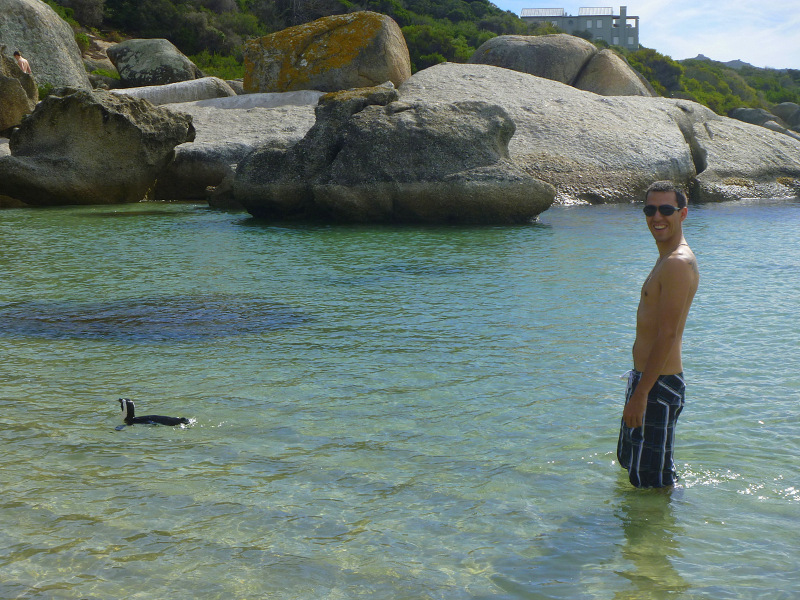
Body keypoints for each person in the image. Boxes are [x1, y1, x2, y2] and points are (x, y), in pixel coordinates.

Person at [617, 181, 699, 488]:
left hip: (657, 386)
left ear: (683, 214)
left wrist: (641, 396)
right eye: (650, 210)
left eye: (666, 209)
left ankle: (661, 532)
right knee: (634, 466)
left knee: (652, 483)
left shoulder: (677, 263)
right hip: (647, 380)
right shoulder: (666, 258)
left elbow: (667, 335)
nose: (657, 217)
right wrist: (637, 386)